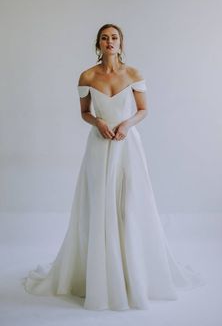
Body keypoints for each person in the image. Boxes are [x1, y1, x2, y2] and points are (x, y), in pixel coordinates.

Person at [22, 23, 206, 311]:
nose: (110, 42)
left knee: (129, 204)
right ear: (98, 44)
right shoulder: (87, 76)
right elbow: (84, 112)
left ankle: (133, 274)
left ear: (121, 43)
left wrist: (126, 125)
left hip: (128, 146)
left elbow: (143, 109)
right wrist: (99, 122)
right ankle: (99, 275)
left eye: (115, 38)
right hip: (98, 146)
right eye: (105, 38)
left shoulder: (133, 74)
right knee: (100, 205)